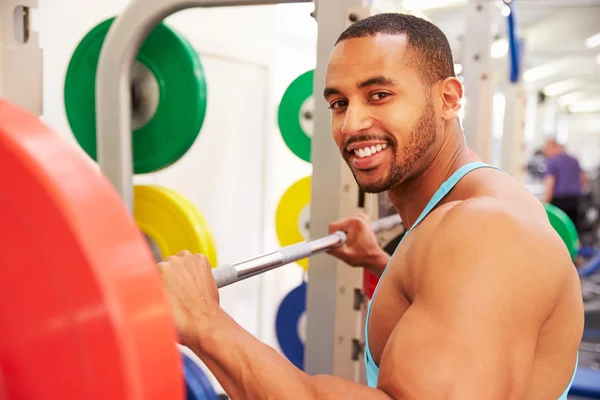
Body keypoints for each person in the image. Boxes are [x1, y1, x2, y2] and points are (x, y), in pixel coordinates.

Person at [157, 13, 584, 399]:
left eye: (379, 94)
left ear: (449, 99)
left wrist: (203, 321)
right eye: (338, 103)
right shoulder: (463, 217)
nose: (351, 124)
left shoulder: (484, 231)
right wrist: (383, 263)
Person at [542, 138, 587, 231]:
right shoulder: (574, 160)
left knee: (558, 229)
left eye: (547, 149)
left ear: (553, 148)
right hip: (575, 199)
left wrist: (545, 203)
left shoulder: (552, 161)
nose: (546, 153)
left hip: (559, 200)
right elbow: (582, 179)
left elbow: (550, 183)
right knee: (573, 229)